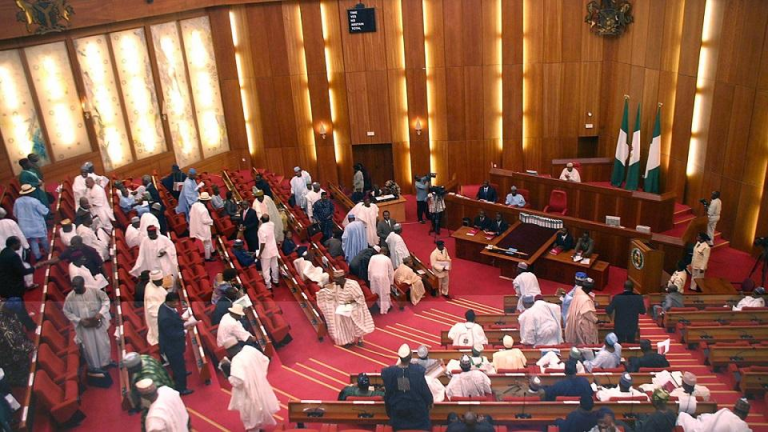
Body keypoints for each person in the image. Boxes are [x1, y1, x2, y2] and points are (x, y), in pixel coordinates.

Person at [63, 276, 112, 371]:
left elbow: (106, 300)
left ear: (83, 284)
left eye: (77, 287)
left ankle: (106, 363)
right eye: (73, 286)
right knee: (90, 348)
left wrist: (100, 313)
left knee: (103, 343)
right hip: (84, 327)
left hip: (98, 323)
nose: (75, 289)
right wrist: (78, 320)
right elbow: (66, 311)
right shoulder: (70, 297)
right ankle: (95, 368)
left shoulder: (94, 291)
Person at [315, 269, 374, 347]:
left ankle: (360, 340)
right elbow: (330, 291)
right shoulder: (337, 285)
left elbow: (360, 298)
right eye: (335, 279)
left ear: (342, 278)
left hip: (355, 307)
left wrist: (348, 302)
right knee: (348, 325)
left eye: (337, 279)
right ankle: (350, 340)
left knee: (358, 326)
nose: (335, 281)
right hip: (344, 309)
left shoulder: (353, 284)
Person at [382, 344, 433, 431]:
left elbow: (388, 395)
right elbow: (427, 396)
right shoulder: (418, 372)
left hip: (398, 417)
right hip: (418, 418)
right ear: (411, 356)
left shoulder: (389, 373)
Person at [0, 237, 44, 329]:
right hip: (13, 287)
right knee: (20, 307)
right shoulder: (14, 256)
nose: (20, 245)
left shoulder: (4, 252)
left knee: (18, 306)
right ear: (14, 244)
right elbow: (22, 271)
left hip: (5, 286)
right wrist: (35, 267)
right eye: (18, 243)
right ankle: (30, 326)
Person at [158, 292, 195, 395]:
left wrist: (182, 320)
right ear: (169, 302)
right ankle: (181, 388)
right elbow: (171, 334)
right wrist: (186, 331)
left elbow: (174, 319)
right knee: (178, 365)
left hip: (175, 344)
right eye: (174, 303)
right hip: (171, 346)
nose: (177, 304)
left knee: (178, 364)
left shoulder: (165, 307)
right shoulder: (165, 317)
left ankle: (179, 374)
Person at [0, 300, 35, 386]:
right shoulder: (2, 322)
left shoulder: (8, 312)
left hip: (17, 350)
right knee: (27, 379)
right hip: (9, 356)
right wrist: (32, 346)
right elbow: (15, 343)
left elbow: (18, 329)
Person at [13, 184, 49, 260]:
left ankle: (38, 256)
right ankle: (48, 252)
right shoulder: (34, 201)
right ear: (31, 192)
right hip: (37, 225)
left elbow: (15, 214)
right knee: (43, 239)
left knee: (32, 241)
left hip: (24, 227)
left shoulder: (17, 201)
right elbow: (44, 211)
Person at [0, 208, 34, 289]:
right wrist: (26, 246)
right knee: (23, 265)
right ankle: (29, 283)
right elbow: (20, 235)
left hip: (3, 252)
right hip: (16, 248)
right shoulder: (9, 222)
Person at [677, 397, 751, 432]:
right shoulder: (744, 427)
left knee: (683, 416)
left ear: (734, 409)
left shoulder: (724, 413)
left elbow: (709, 420)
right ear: (746, 415)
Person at [565, 278, 598, 345]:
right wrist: (596, 320)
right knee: (583, 344)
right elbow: (588, 314)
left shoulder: (578, 290)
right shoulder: (586, 300)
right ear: (589, 289)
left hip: (574, 317)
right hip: (581, 323)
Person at [143, 270, 168, 346]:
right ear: (155, 281)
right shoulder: (151, 294)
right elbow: (153, 312)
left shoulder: (151, 284)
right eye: (160, 280)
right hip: (157, 318)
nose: (162, 282)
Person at [368, 247, 394, 314]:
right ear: (386, 253)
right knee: (384, 293)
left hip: (373, 276)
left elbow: (369, 269)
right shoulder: (387, 259)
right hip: (383, 277)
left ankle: (377, 307)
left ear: (379, 251)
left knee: (375, 292)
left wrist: (370, 278)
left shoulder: (373, 257)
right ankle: (385, 309)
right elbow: (391, 272)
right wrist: (391, 282)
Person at [189, 193, 215, 261]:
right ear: (205, 201)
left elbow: (190, 214)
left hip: (197, 226)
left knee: (208, 240)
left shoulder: (194, 205)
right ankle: (208, 257)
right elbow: (205, 220)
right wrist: (211, 221)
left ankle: (212, 251)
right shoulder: (204, 210)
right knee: (207, 243)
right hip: (204, 228)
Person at [257, 214, 280, 290]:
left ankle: (268, 285)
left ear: (261, 220)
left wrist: (259, 254)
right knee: (274, 266)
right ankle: (276, 281)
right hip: (273, 249)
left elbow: (263, 243)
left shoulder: (261, 229)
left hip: (266, 251)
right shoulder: (272, 224)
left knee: (265, 269)